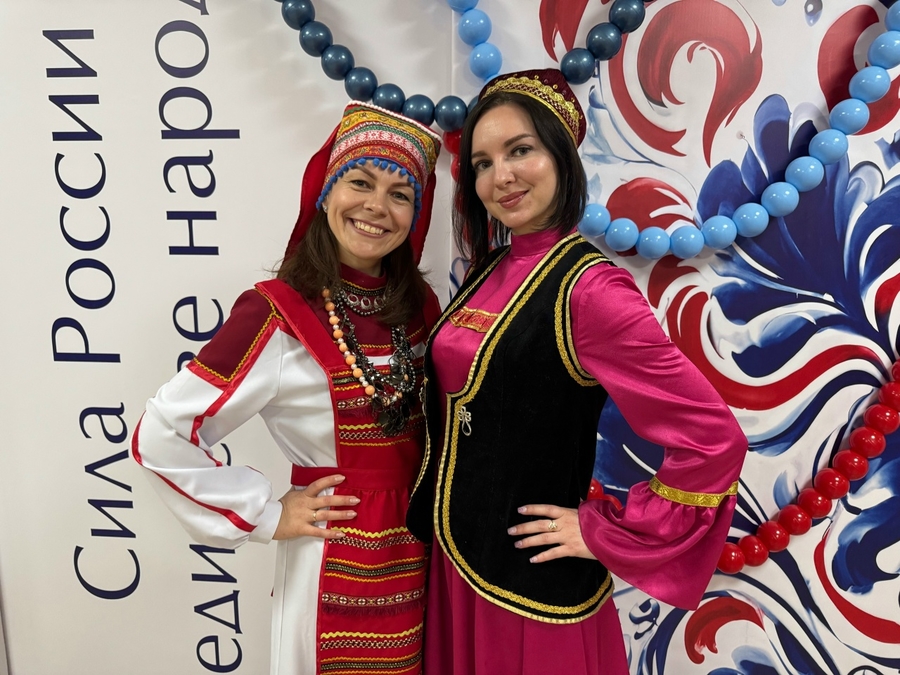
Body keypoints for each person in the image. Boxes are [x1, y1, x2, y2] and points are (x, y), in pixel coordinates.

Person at [406, 69, 748, 674]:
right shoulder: (489, 269)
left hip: (528, 591)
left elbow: (713, 439)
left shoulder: (591, 291)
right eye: (482, 163)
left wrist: (603, 532)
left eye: (520, 150)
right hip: (454, 569)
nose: (500, 177)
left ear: (562, 157)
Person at [132, 101, 442, 675]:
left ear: (414, 215)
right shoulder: (275, 313)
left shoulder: (420, 308)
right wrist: (267, 515)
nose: (377, 206)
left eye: (400, 195)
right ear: (326, 192)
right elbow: (161, 432)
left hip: (425, 555)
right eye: (360, 182)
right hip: (332, 558)